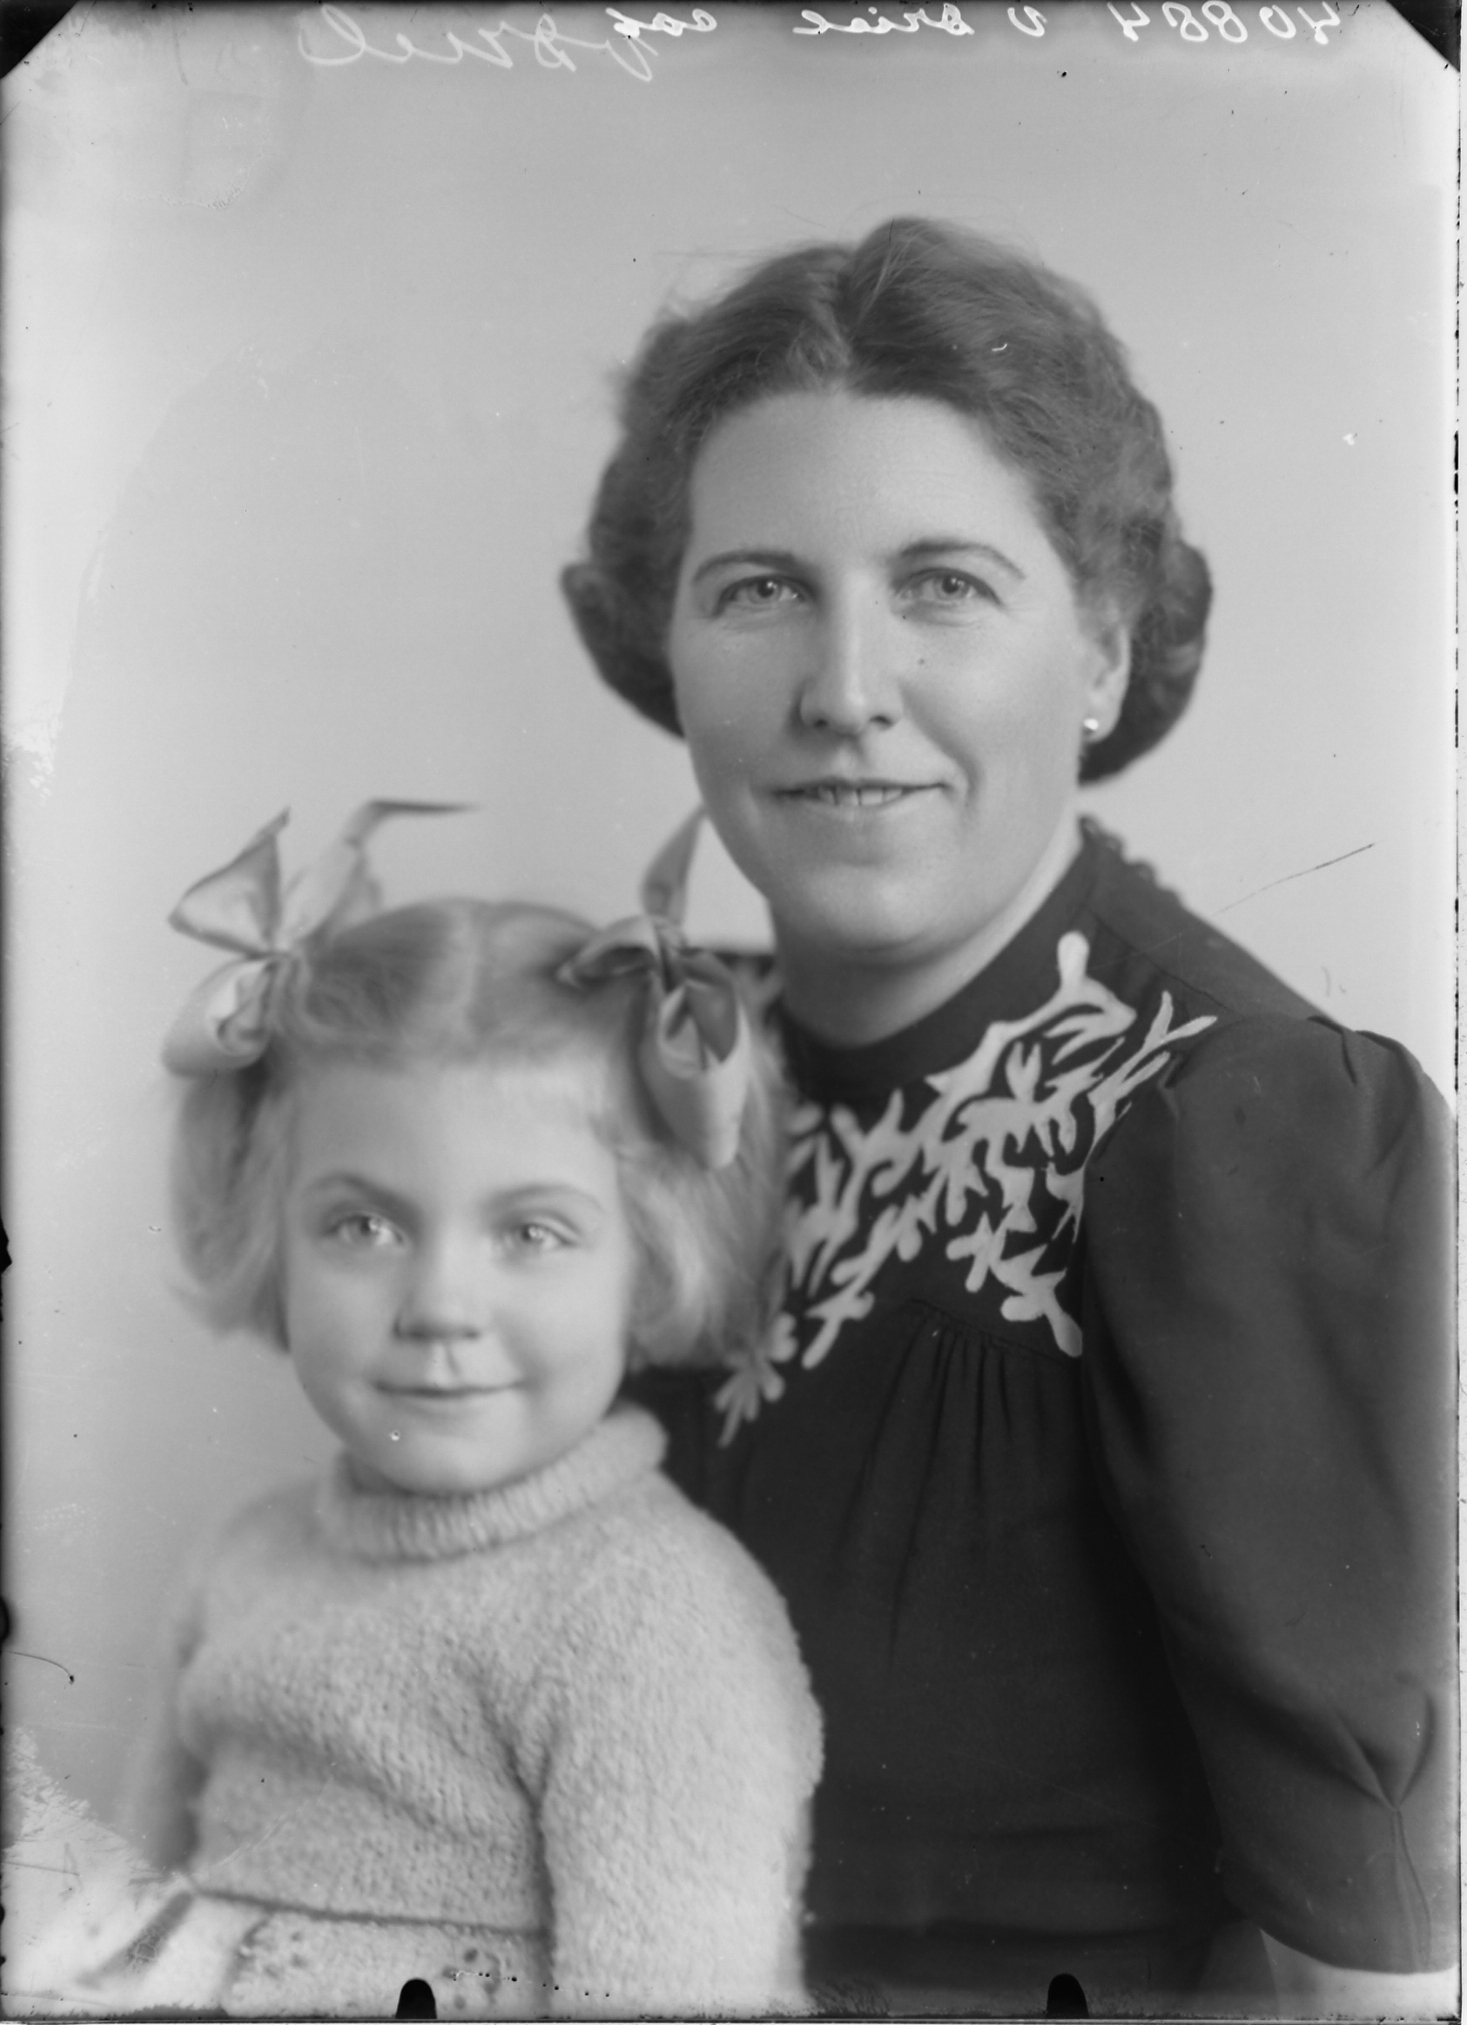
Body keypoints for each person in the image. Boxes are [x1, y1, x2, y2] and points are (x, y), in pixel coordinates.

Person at [561, 218, 1457, 2016]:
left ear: (1101, 653)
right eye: (759, 589)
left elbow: (1361, 1992)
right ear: (665, 640)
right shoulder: (635, 1065)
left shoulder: (1236, 1132)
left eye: (944, 586)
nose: (843, 690)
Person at [73, 802, 822, 2019]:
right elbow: (118, 1935)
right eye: (364, 1225)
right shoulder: (242, 1559)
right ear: (271, 1237)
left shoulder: (651, 1619)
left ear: (653, 1260)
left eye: (532, 1232)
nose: (439, 1307)